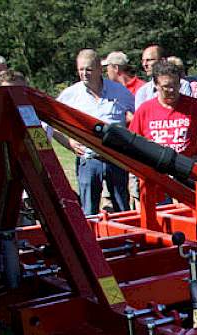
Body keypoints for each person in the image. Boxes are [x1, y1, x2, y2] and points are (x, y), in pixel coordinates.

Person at [54, 49, 134, 214]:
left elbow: (139, 116)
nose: (84, 73)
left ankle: (126, 239)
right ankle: (90, 239)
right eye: (81, 69)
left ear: (99, 68)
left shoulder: (119, 92)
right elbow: (51, 123)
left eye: (88, 69)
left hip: (116, 158)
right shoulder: (71, 95)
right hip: (89, 160)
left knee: (122, 207)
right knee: (89, 209)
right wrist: (68, 143)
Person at [129, 61, 197, 166]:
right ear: (156, 85)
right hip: (155, 174)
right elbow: (131, 142)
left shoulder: (193, 105)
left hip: (186, 173)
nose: (172, 90)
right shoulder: (145, 110)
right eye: (166, 86)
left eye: (176, 84)